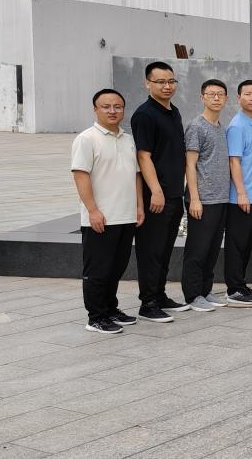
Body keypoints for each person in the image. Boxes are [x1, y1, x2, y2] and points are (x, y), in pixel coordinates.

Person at [72, 89, 144, 334]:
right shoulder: (86, 139)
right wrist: (92, 210)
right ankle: (96, 317)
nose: (112, 111)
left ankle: (110, 309)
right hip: (101, 217)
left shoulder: (128, 139)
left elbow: (136, 175)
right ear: (95, 109)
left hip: (126, 216)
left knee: (116, 268)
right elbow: (81, 176)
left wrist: (139, 206)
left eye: (117, 106)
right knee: (98, 271)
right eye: (106, 106)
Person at [130, 61, 190, 322]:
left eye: (171, 81)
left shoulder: (173, 112)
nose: (167, 86)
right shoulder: (145, 115)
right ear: (148, 83)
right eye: (160, 82)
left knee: (165, 249)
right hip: (156, 195)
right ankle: (148, 303)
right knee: (151, 251)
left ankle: (160, 294)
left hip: (174, 193)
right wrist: (155, 190)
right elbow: (143, 156)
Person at [182, 79, 232, 312]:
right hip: (203, 199)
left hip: (221, 198)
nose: (216, 98)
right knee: (198, 249)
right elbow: (190, 165)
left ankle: (205, 289)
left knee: (212, 249)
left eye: (220, 94)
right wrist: (195, 198)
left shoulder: (221, 127)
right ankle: (193, 295)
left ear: (226, 98)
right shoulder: (196, 126)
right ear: (202, 97)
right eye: (211, 94)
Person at [224, 80, 252, 306]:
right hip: (240, 197)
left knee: (247, 243)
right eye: (247, 94)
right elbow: (234, 161)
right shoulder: (237, 125)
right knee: (237, 244)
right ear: (239, 98)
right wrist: (241, 193)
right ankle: (234, 289)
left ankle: (240, 284)